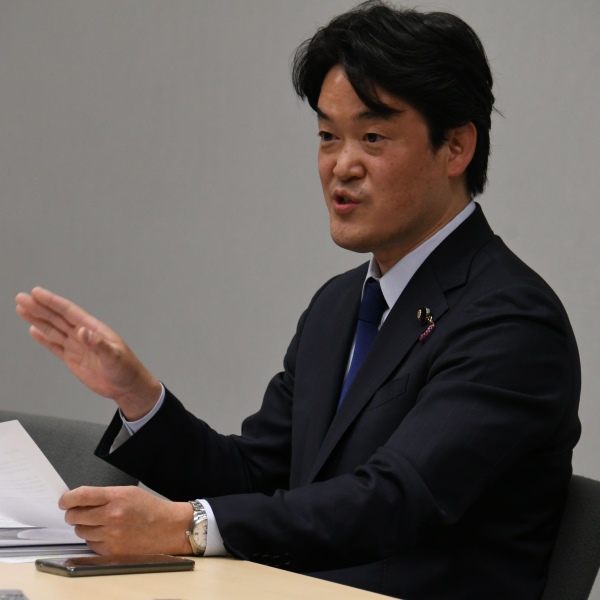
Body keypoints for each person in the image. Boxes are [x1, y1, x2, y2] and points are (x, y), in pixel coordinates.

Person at [15, 2, 581, 599]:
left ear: (456, 147)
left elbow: (393, 500)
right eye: (328, 137)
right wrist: (139, 396)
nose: (342, 166)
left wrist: (187, 527)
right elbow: (254, 479)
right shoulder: (339, 305)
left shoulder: (512, 320)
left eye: (372, 137)